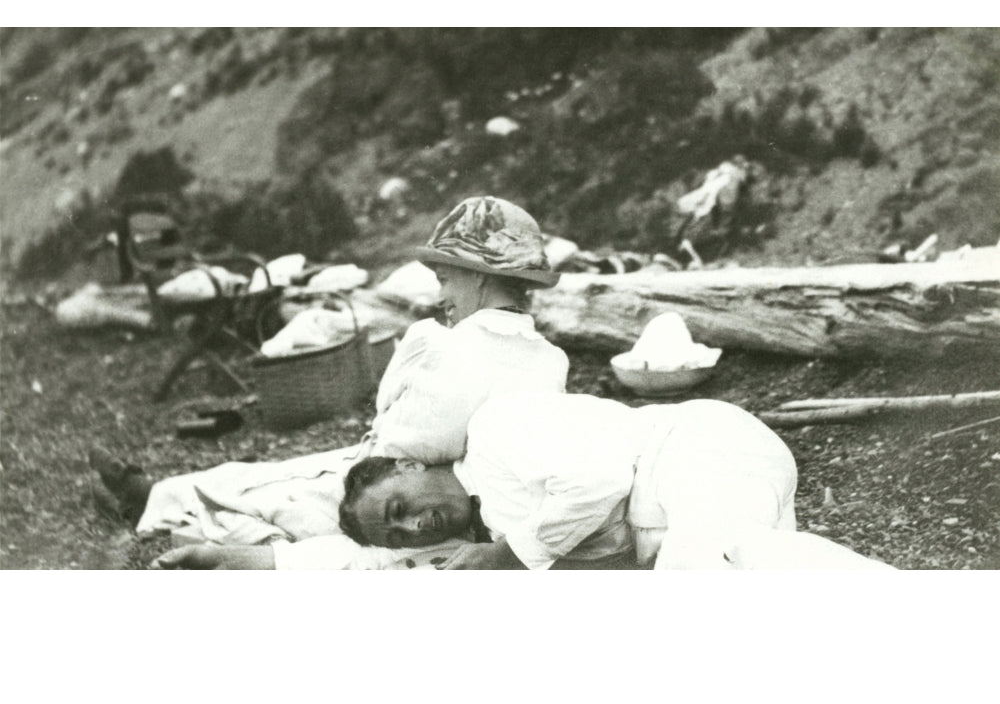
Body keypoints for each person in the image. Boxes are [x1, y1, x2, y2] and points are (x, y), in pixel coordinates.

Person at [98, 196, 569, 570]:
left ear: (480, 277)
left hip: (414, 492)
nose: (442, 295)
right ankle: (155, 494)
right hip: (447, 490)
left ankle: (155, 501)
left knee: (270, 492)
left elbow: (401, 443)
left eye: (446, 279)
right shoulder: (549, 358)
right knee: (278, 476)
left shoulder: (453, 348)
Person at [328, 392, 893, 570]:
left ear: (410, 465)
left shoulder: (494, 432)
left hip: (689, 448)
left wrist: (509, 556)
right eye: (398, 534)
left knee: (709, 561)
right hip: (675, 512)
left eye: (398, 506)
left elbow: (598, 480)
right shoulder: (486, 534)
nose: (413, 525)